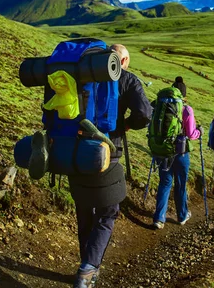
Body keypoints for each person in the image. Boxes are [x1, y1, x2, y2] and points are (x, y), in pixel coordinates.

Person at [71, 44, 152, 288]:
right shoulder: (127, 79)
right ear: (124, 59)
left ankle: (87, 263)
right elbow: (145, 114)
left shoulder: (81, 72)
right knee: (107, 213)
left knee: (84, 211)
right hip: (108, 152)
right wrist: (125, 125)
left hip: (76, 151)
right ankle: (87, 270)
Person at [152, 80, 202, 230]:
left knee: (164, 183)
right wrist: (200, 132)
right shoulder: (186, 110)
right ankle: (182, 215)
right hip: (180, 153)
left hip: (162, 151)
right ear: (183, 95)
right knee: (180, 184)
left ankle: (159, 219)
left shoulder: (160, 105)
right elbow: (192, 134)